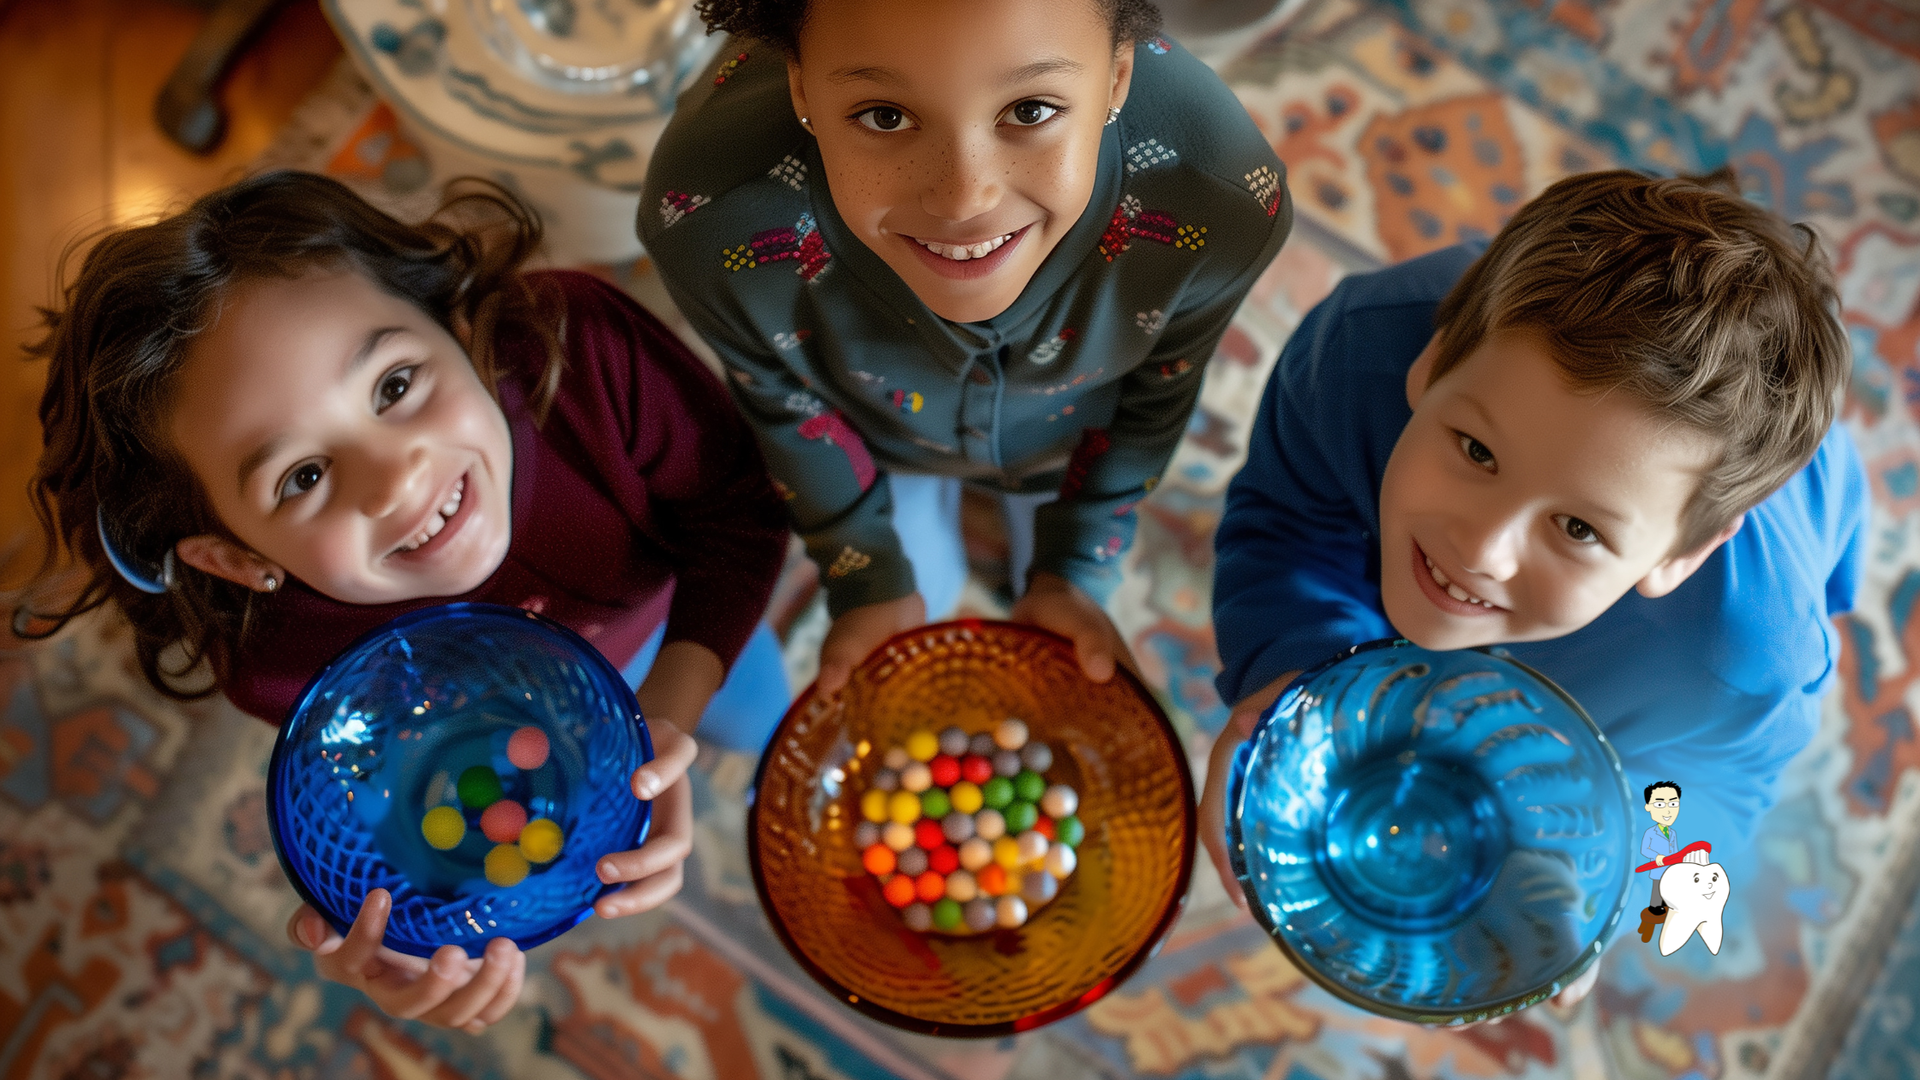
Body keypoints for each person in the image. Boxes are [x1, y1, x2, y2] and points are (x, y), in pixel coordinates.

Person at [15, 171, 793, 1032]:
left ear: (456, 325)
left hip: (674, 621)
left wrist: (670, 709)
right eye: (303, 477)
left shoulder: (583, 346)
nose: (395, 481)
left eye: (393, 386)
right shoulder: (284, 672)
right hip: (506, 726)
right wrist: (403, 941)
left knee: (759, 720)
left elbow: (738, 511)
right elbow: (399, 807)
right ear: (236, 558)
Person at [1200, 168, 1865, 1011]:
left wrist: (1612, 892)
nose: (1481, 549)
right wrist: (1288, 669)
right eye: (1476, 451)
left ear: (1681, 555)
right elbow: (1291, 521)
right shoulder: (1358, 349)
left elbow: (1713, 797)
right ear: (1434, 362)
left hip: (1782, 553)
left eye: (1578, 529)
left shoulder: (1742, 656)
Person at [639, 0, 1291, 692]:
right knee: (919, 592)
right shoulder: (710, 224)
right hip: (879, 438)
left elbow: (1162, 388)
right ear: (801, 87)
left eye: (1032, 110)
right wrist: (865, 572)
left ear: (1118, 77)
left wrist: (1073, 569)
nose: (962, 199)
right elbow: (783, 399)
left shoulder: (1221, 206)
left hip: (1070, 436)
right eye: (885, 116)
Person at [1639, 780, 1684, 939]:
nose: (1667, 811)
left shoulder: (1672, 833)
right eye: (1659, 805)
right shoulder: (1650, 832)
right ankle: (1649, 923)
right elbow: (1645, 849)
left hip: (1669, 872)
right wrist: (1656, 856)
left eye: (1672, 805)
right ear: (1648, 807)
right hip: (1657, 870)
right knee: (1655, 899)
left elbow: (1675, 851)